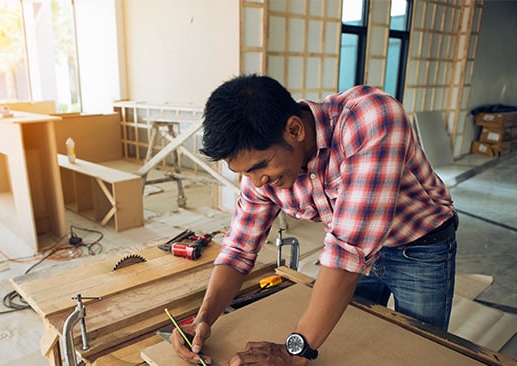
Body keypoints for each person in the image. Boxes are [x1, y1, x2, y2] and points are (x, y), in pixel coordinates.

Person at [171, 74, 458, 365]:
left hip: (420, 245)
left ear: (294, 130)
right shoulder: (262, 169)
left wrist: (292, 353)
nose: (258, 183)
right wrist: (203, 318)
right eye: (246, 174)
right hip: (355, 252)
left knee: (421, 350)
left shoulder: (371, 119)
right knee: (357, 341)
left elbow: (347, 252)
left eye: (260, 168)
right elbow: (238, 249)